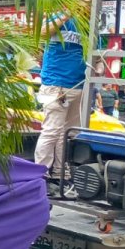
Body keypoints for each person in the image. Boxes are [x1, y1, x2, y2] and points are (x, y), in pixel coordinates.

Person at [32, 11, 87, 186]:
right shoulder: (60, 17)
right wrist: (67, 14)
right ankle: (40, 174)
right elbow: (42, 32)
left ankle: (59, 173)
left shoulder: (87, 25)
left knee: (68, 133)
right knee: (52, 131)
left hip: (78, 85)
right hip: (56, 85)